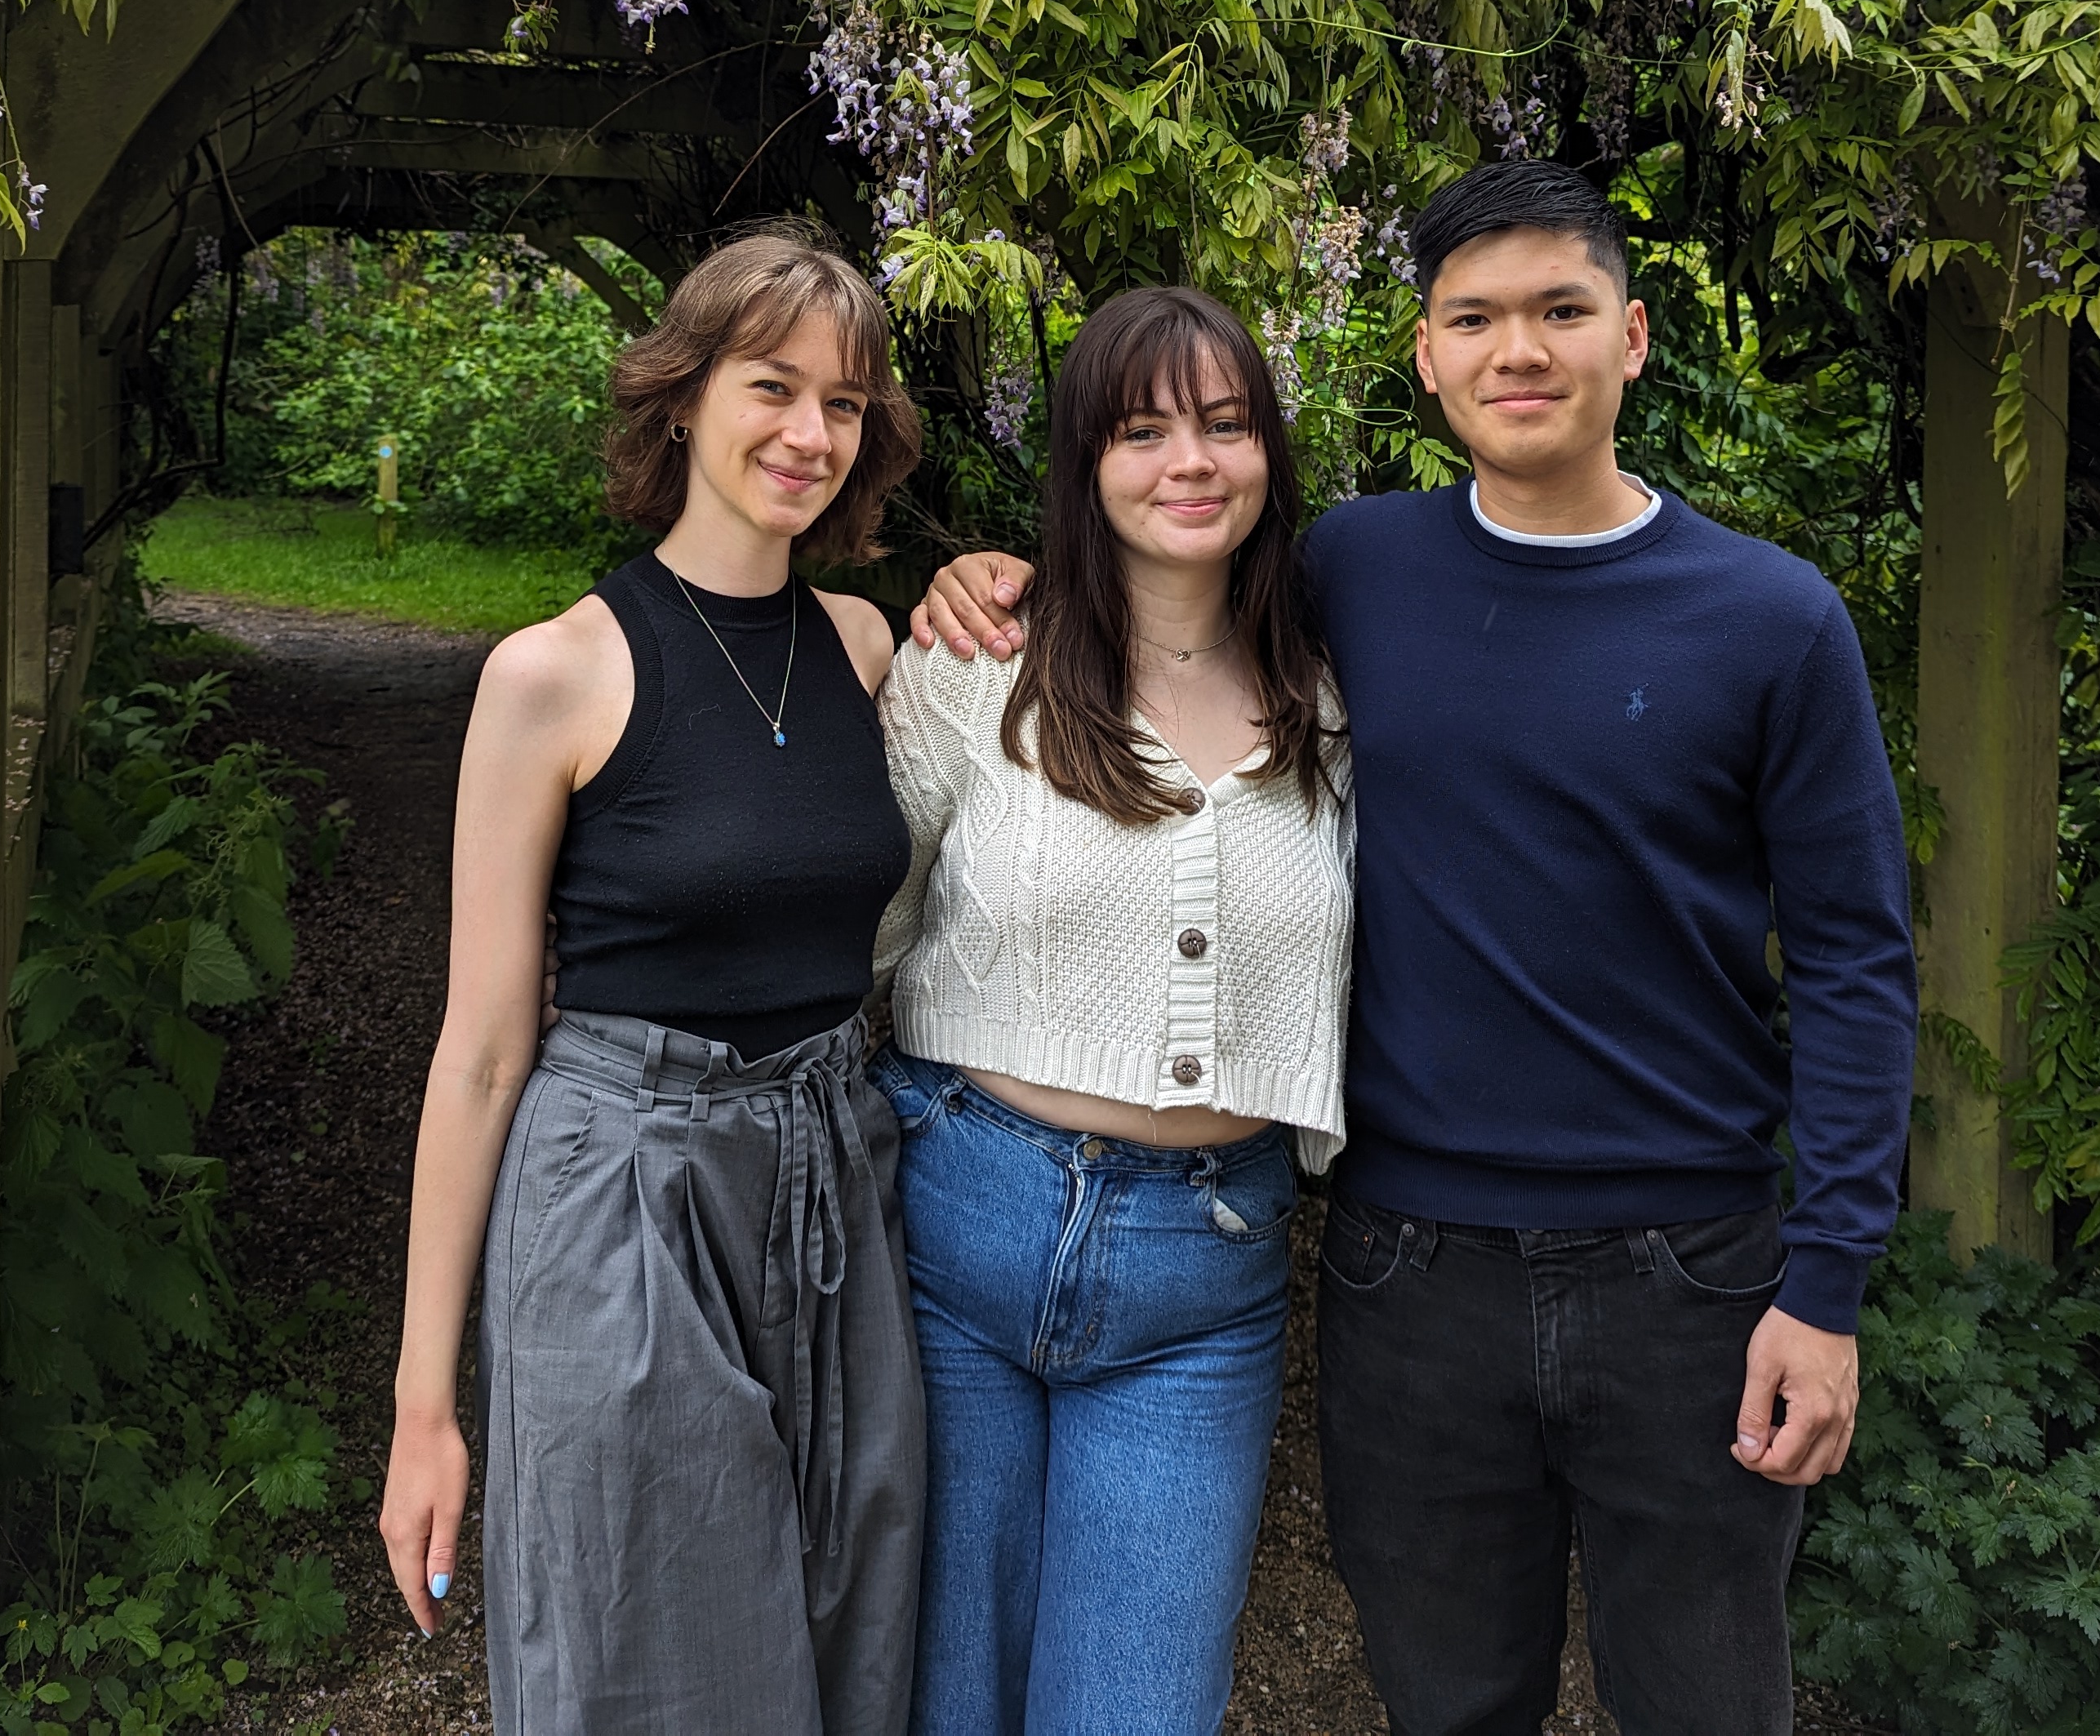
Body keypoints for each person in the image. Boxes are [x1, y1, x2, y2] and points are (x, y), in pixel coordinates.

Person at [916, 161, 1919, 1736]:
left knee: (1712, 1702)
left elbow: (1859, 962)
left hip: (1693, 1272)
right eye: (1477, 317)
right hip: (1409, 1266)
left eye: (1560, 310)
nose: (1520, 348)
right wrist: (993, 579)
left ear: (1634, 337)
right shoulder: (1354, 577)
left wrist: (1832, 1280)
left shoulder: (1772, 620)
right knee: (1447, 1706)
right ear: (1430, 357)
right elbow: (1165, 592)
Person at [380, 225, 930, 1736]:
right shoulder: (554, 672)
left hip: (833, 1181)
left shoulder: (867, 647)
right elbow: (483, 1054)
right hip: (623, 1194)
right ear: (683, 396)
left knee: (849, 1633)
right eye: (773, 387)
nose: (811, 434)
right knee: (654, 1670)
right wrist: (428, 1405)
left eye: (846, 404)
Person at [870, 287, 1352, 1736]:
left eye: (1224, 423)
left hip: (1203, 1273)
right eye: (1141, 430)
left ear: (1270, 451)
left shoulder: (1331, 699)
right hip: (955, 1219)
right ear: (1083, 460)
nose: (1187, 462)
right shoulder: (974, 672)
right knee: (943, 1688)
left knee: (1136, 1707)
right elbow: (862, 925)